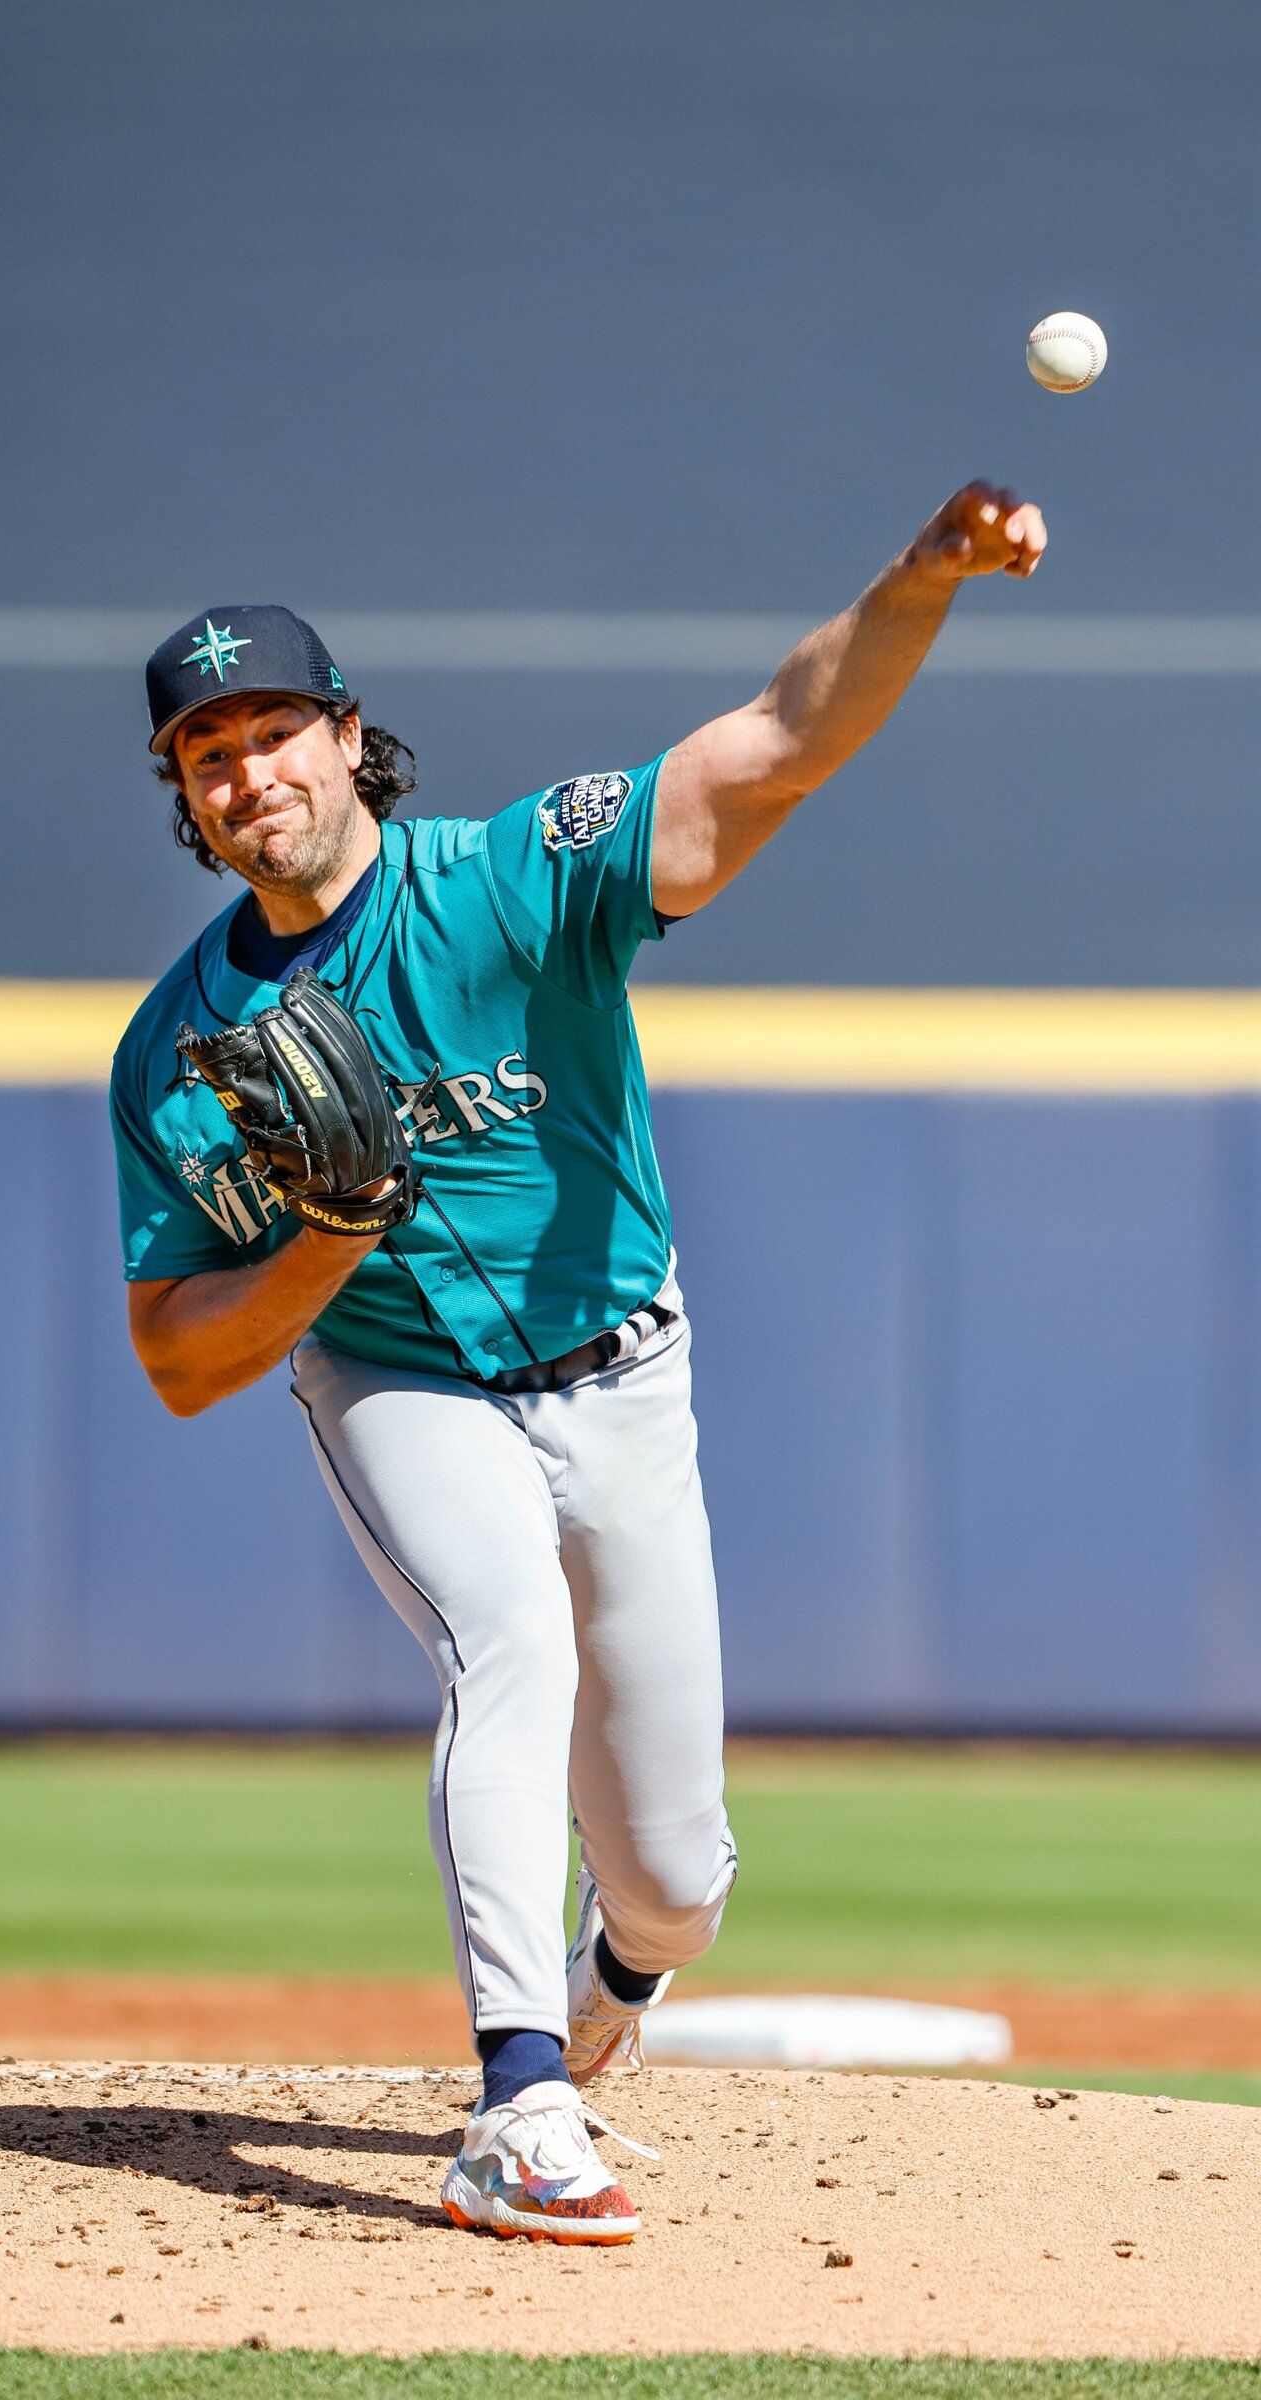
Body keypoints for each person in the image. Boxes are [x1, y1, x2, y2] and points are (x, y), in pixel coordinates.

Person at [110, 485, 1047, 2244]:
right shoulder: (175, 1049)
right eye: (205, 751)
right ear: (189, 798)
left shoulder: (515, 878)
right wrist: (323, 1240)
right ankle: (519, 2101)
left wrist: (923, 578)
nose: (248, 775)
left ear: (350, 737)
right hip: (396, 1379)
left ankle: (619, 1972)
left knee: (679, 1882)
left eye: (274, 731)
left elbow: (773, 746)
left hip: (621, 1371)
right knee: (505, 1643)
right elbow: (176, 1359)